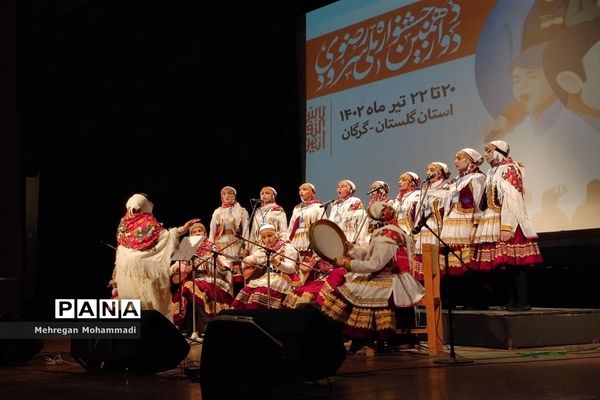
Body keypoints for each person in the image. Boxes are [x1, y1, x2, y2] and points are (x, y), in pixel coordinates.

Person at [318, 201, 424, 354]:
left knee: (350, 291)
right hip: (385, 277)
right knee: (352, 289)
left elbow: (375, 264)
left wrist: (348, 264)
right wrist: (350, 248)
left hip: (392, 280)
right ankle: (356, 338)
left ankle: (357, 337)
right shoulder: (387, 233)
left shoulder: (387, 236)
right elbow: (368, 255)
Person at [471, 141, 544, 311]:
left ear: (498, 152)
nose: (485, 155)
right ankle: (511, 301)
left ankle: (523, 301)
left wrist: (507, 226)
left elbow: (513, 199)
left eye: (488, 151)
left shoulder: (510, 168)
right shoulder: (491, 171)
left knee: (517, 263)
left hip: (510, 220)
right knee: (503, 265)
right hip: (494, 219)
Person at [114, 193, 199, 322]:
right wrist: (183, 229)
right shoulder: (148, 223)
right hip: (147, 274)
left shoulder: (123, 224)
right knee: (150, 306)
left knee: (132, 307)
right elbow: (166, 237)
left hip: (127, 272)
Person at [439, 148, 487, 308]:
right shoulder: (456, 181)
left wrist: (475, 225)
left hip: (466, 223)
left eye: (458, 158)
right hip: (452, 224)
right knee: (453, 264)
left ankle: (475, 300)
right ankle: (457, 299)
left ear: (468, 160)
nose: (455, 161)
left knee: (468, 263)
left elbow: (479, 202)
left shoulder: (477, 178)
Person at [170, 222, 233, 333]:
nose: (197, 233)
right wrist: (181, 267)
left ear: (205, 233)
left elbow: (224, 267)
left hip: (211, 279)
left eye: (200, 231)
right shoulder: (187, 247)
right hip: (193, 281)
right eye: (194, 232)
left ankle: (206, 325)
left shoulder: (212, 247)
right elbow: (175, 268)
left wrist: (216, 257)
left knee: (189, 287)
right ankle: (190, 329)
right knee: (186, 288)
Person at [232, 224, 301, 309]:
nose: (267, 240)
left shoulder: (287, 247)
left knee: (261, 291)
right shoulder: (263, 250)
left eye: (269, 235)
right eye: (264, 237)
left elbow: (291, 269)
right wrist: (246, 261)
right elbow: (253, 258)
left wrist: (277, 262)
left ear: (276, 234)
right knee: (247, 290)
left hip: (285, 277)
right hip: (268, 277)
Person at [412, 162, 450, 281]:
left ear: (440, 173)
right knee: (423, 260)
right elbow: (419, 212)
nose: (428, 173)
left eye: (432, 170)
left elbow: (447, 210)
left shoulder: (446, 188)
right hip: (423, 229)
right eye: (427, 170)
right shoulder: (425, 190)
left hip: (437, 227)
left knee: (436, 261)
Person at [208, 186, 250, 290]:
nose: (227, 196)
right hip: (221, 245)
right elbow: (212, 231)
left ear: (234, 196)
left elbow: (246, 231)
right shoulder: (217, 212)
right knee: (223, 270)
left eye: (229, 193)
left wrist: (246, 247)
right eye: (224, 194)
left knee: (236, 273)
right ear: (221, 197)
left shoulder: (242, 211)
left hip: (236, 244)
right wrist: (210, 246)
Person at [286, 182, 324, 283]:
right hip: (296, 241)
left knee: (306, 270)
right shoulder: (297, 208)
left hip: (309, 241)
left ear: (312, 192)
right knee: (296, 269)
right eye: (300, 190)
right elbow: (291, 226)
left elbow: (321, 226)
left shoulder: (318, 206)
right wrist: (287, 240)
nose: (301, 191)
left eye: (305, 189)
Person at [328, 179, 369, 247]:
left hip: (348, 237)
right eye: (338, 187)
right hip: (335, 238)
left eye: (343, 186)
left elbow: (361, 221)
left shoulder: (354, 201)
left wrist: (360, 241)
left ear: (350, 190)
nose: (339, 188)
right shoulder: (335, 205)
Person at [247, 186, 288, 254]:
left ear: (273, 196)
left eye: (267, 193)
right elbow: (253, 231)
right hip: (258, 244)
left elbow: (283, 229)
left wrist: (282, 245)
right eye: (262, 193)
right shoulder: (257, 211)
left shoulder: (278, 209)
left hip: (273, 244)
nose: (264, 195)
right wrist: (249, 246)